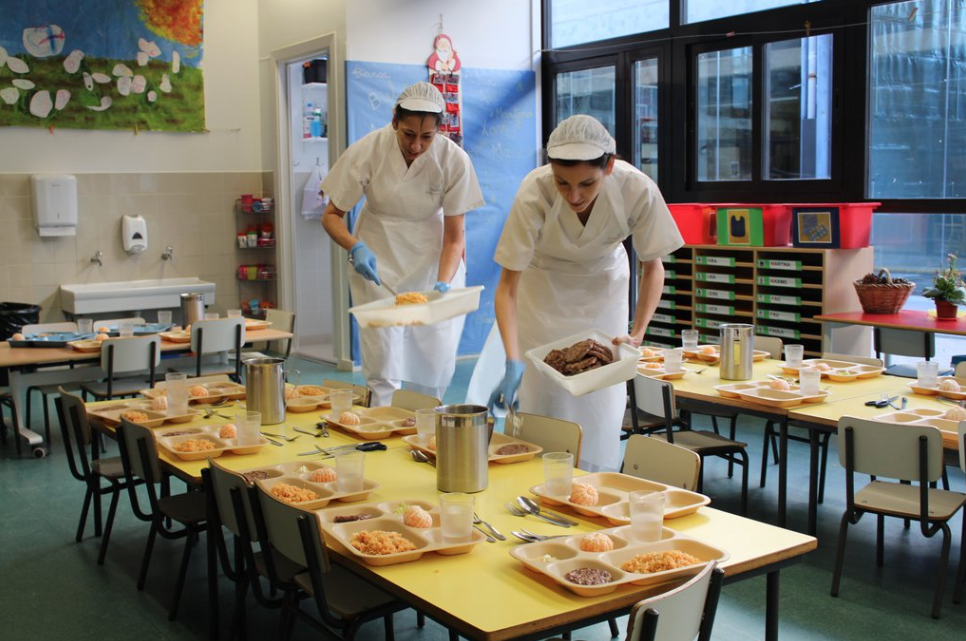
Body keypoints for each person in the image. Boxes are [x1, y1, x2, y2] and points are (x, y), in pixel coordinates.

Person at [486, 115, 683, 470]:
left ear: (609, 166)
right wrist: (513, 359)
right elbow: (506, 289)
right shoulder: (534, 191)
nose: (573, 196)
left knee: (600, 398)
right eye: (562, 183)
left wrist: (637, 334)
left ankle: (595, 480)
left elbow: (653, 267)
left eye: (587, 184)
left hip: (603, 288)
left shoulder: (636, 188)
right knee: (542, 399)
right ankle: (536, 485)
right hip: (541, 290)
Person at [321, 82, 484, 406]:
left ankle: (426, 434)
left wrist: (443, 281)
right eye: (409, 134)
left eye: (427, 137)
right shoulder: (369, 150)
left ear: (440, 130)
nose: (417, 145)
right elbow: (331, 215)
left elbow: (454, 237)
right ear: (395, 120)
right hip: (378, 264)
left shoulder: (454, 160)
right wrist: (355, 246)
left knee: (434, 362)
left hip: (433, 262)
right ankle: (381, 431)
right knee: (383, 362)